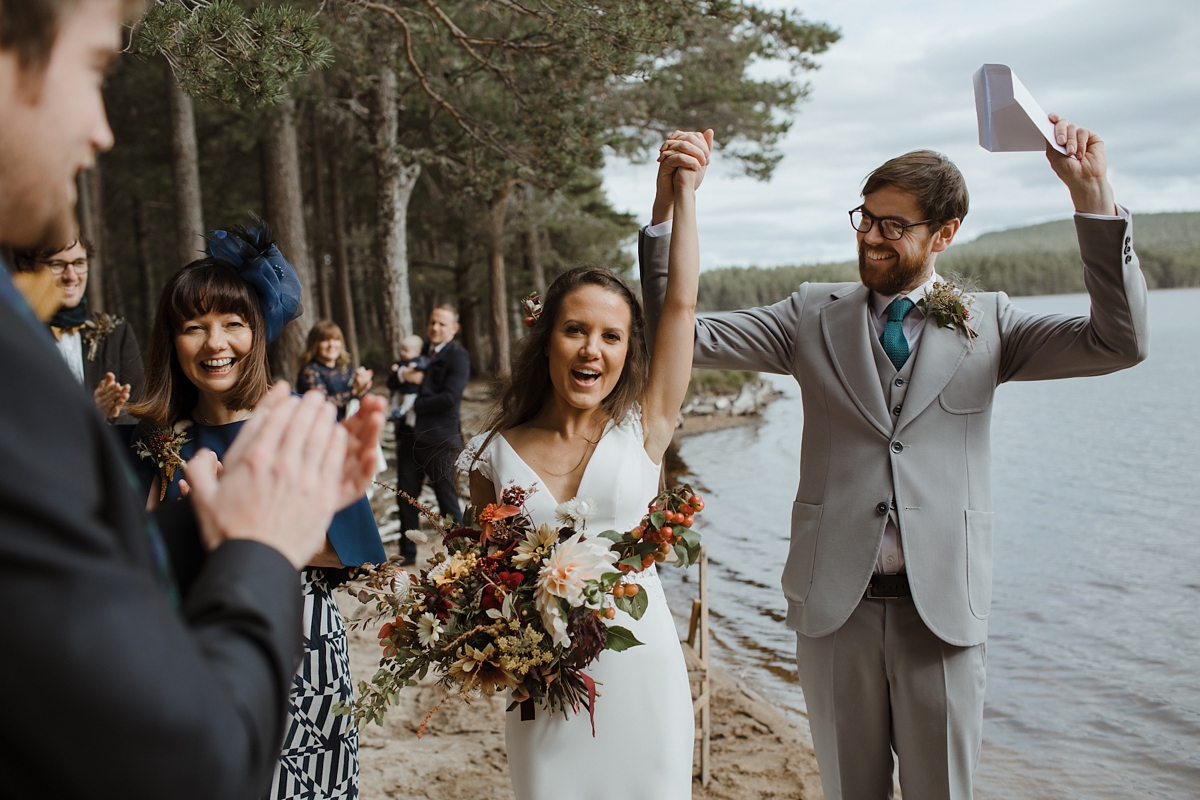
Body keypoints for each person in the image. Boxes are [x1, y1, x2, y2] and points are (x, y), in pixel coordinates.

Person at [639, 126, 1149, 799]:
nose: (871, 237)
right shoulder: (808, 316)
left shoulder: (990, 323)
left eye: (893, 225)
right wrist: (668, 207)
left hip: (941, 615)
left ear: (944, 233)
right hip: (833, 613)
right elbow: (677, 334)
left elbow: (1120, 341)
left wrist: (1093, 201)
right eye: (865, 218)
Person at [0, 2, 386, 797]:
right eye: (98, 66)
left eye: (232, 323)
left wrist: (234, 517)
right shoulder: (115, 422)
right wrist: (256, 538)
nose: (104, 131)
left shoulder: (289, 429)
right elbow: (183, 756)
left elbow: (356, 552)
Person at [457, 130, 713, 799]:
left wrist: (681, 194)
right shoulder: (492, 457)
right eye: (575, 331)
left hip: (644, 676)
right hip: (542, 693)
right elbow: (480, 582)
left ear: (629, 351)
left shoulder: (646, 426)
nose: (591, 351)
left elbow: (680, 306)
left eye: (611, 336)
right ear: (547, 341)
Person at [124, 223, 386, 800]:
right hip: (189, 649)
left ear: (258, 332)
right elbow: (122, 563)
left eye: (233, 324)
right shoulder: (148, 441)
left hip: (306, 644)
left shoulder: (296, 419)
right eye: (194, 327)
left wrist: (243, 525)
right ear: (172, 342)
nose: (215, 343)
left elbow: (354, 551)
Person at [13, 234, 144, 421]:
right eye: (57, 265)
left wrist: (108, 415)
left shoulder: (117, 333)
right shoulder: (15, 334)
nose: (71, 276)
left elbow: (138, 419)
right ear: (27, 267)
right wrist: (91, 412)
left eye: (79, 263)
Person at [394, 305, 469, 564]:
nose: (435, 328)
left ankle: (461, 556)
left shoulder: (458, 356)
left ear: (454, 329)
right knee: (405, 498)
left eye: (442, 324)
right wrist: (404, 374)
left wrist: (415, 401)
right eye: (433, 322)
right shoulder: (418, 350)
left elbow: (450, 397)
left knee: (447, 501)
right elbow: (393, 380)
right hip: (409, 438)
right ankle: (407, 554)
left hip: (440, 441)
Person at [296, 319, 374, 420]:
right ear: (314, 344)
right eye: (325, 340)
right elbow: (323, 404)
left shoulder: (344, 368)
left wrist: (363, 388)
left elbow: (357, 397)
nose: (331, 344)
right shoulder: (309, 371)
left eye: (336, 339)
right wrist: (354, 391)